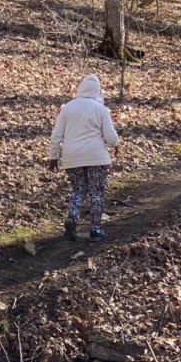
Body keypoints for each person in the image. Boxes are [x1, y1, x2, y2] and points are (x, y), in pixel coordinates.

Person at [47, 74, 119, 242]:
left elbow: (56, 135)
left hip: (72, 157)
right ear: (98, 90)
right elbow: (110, 135)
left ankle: (72, 216)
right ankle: (95, 229)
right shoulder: (101, 109)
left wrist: (53, 157)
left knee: (79, 189)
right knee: (96, 192)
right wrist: (116, 144)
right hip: (96, 157)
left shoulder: (68, 108)